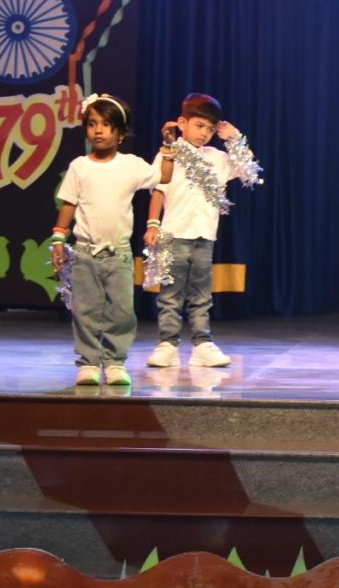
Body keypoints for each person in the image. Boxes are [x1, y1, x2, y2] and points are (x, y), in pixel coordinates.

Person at [47, 93, 174, 386]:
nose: (98, 131)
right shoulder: (80, 166)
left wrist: (168, 146)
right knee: (86, 311)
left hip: (119, 255)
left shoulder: (130, 165)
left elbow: (164, 177)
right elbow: (68, 204)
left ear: (120, 133)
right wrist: (58, 238)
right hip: (85, 253)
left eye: (106, 125)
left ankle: (115, 362)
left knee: (121, 311)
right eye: (92, 124)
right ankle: (89, 363)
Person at [144, 93, 251, 370]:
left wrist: (234, 138)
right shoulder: (170, 152)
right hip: (173, 233)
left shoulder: (216, 158)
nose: (204, 133)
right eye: (199, 126)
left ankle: (202, 344)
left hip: (204, 235)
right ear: (183, 123)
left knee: (202, 295)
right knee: (170, 294)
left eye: (210, 129)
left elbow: (245, 169)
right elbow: (159, 189)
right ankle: (167, 344)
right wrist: (152, 224)